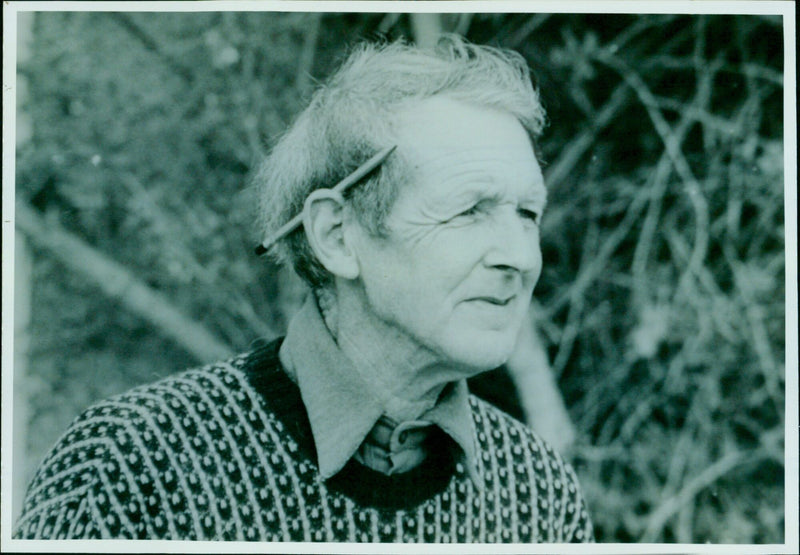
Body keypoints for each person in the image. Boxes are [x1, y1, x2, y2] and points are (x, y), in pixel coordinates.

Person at [15, 36, 593, 542]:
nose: (519, 257)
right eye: (469, 210)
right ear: (337, 236)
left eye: (526, 214)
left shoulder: (538, 492)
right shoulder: (132, 463)